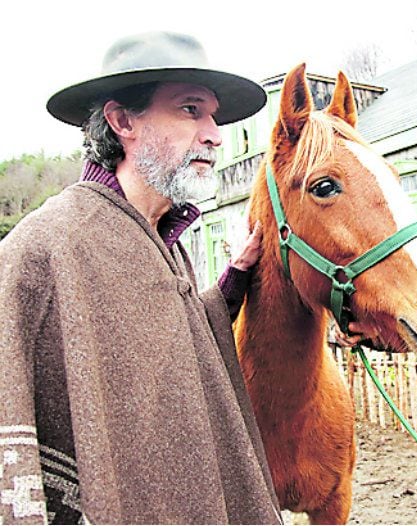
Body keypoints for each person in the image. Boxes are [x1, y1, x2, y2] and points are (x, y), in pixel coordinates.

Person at [0, 32, 282, 524]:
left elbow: (178, 337)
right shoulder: (47, 245)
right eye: (192, 110)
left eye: (213, 116)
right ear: (122, 120)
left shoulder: (161, 239)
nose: (215, 134)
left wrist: (235, 276)